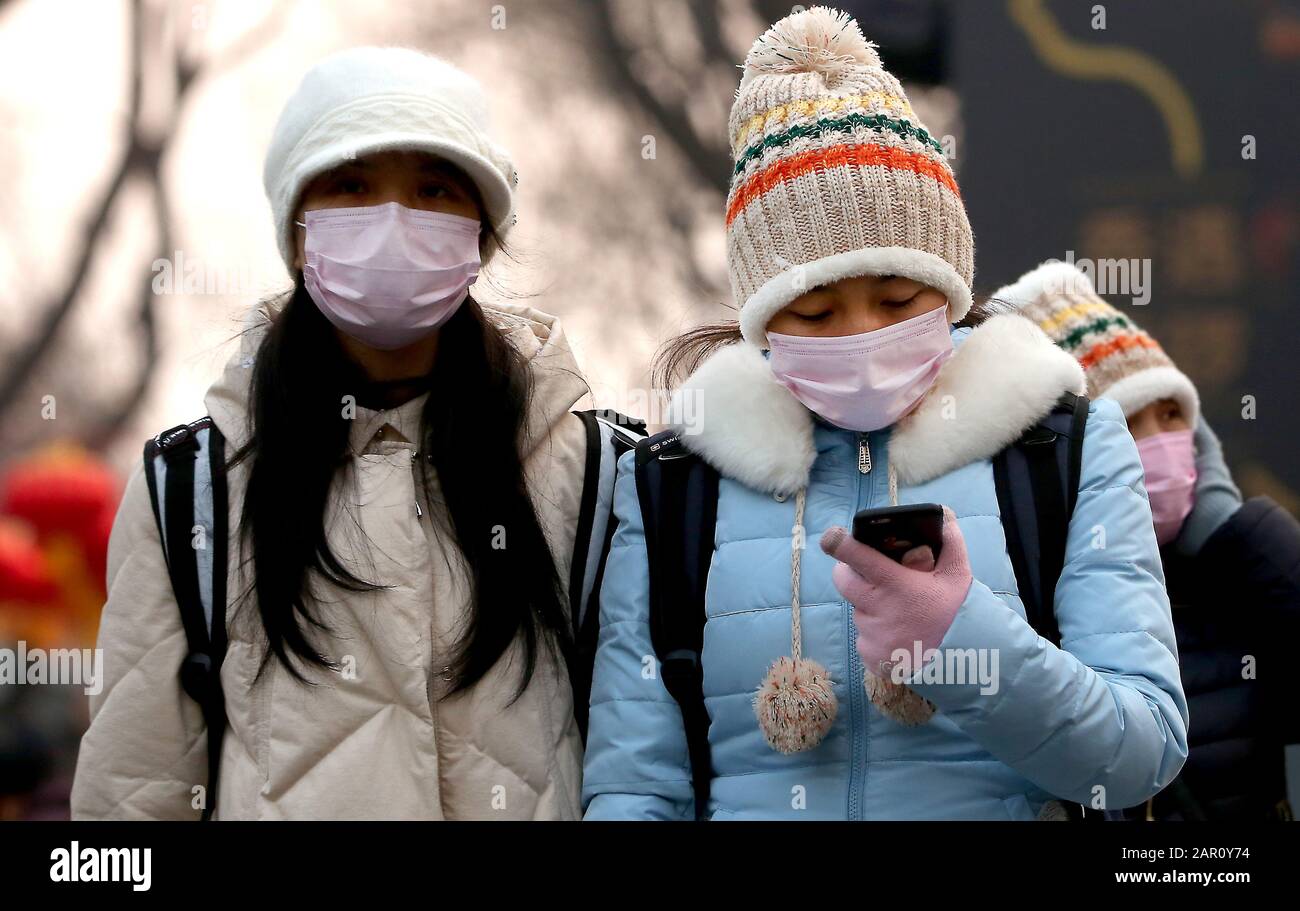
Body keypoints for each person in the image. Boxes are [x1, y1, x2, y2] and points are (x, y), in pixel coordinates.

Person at [581, 6, 1187, 821]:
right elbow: (633, 787)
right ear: (760, 318)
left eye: (898, 297)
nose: (863, 334)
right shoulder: (669, 486)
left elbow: (1140, 751)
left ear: (952, 285)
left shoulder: (1065, 450)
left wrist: (964, 645)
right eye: (816, 313)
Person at [72, 47, 591, 820]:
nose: (392, 218)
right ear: (298, 230)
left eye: (432, 189)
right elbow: (130, 804)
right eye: (351, 184)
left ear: (481, 235)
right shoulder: (195, 492)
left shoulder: (584, 469)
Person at [999, 260, 1300, 820]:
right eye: (1131, 425)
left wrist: (1237, 534)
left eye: (1172, 415)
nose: (1162, 445)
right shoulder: (1028, 598)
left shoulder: (1240, 578)